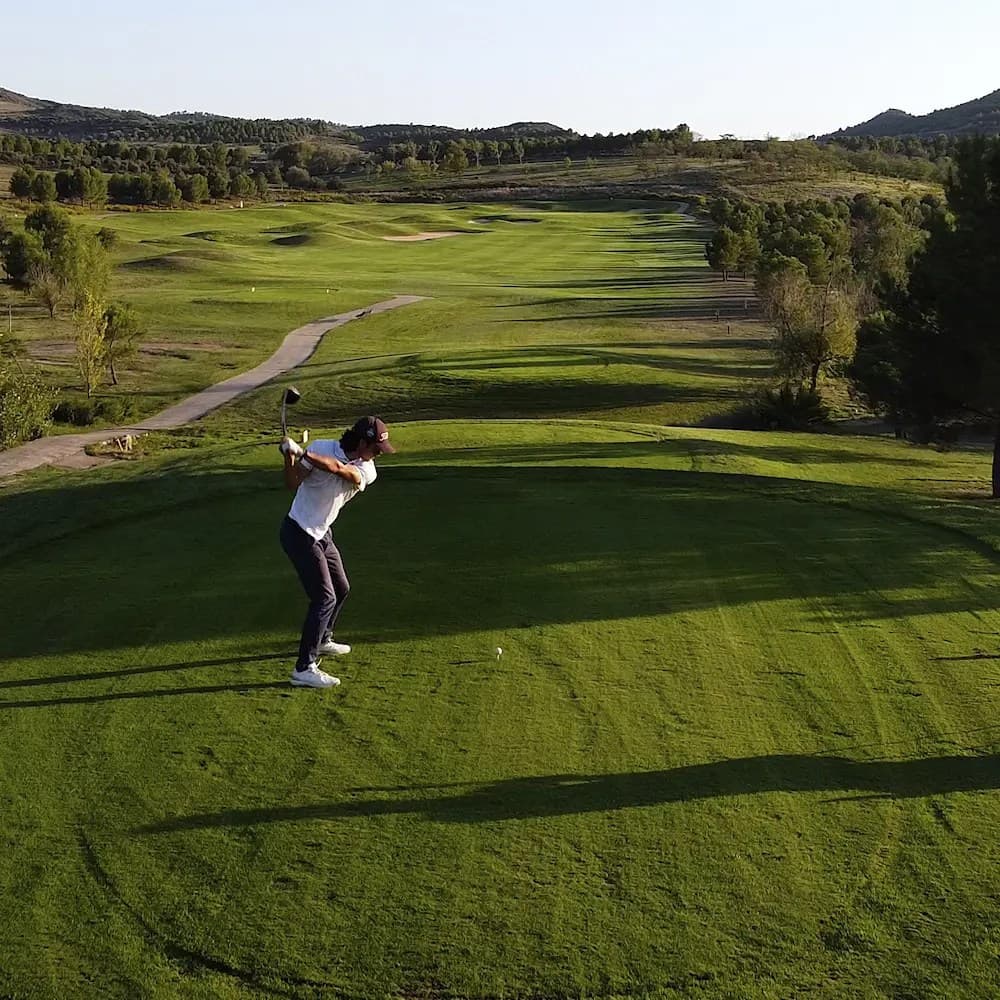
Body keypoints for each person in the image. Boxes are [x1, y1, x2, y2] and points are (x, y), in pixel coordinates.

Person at [278, 416, 395, 688]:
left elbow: (341, 471)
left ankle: (323, 639)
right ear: (362, 442)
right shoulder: (322, 446)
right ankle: (304, 668)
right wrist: (289, 456)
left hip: (322, 532)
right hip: (298, 531)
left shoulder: (367, 470)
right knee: (324, 598)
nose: (378, 455)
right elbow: (292, 482)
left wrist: (303, 452)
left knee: (341, 588)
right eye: (376, 449)